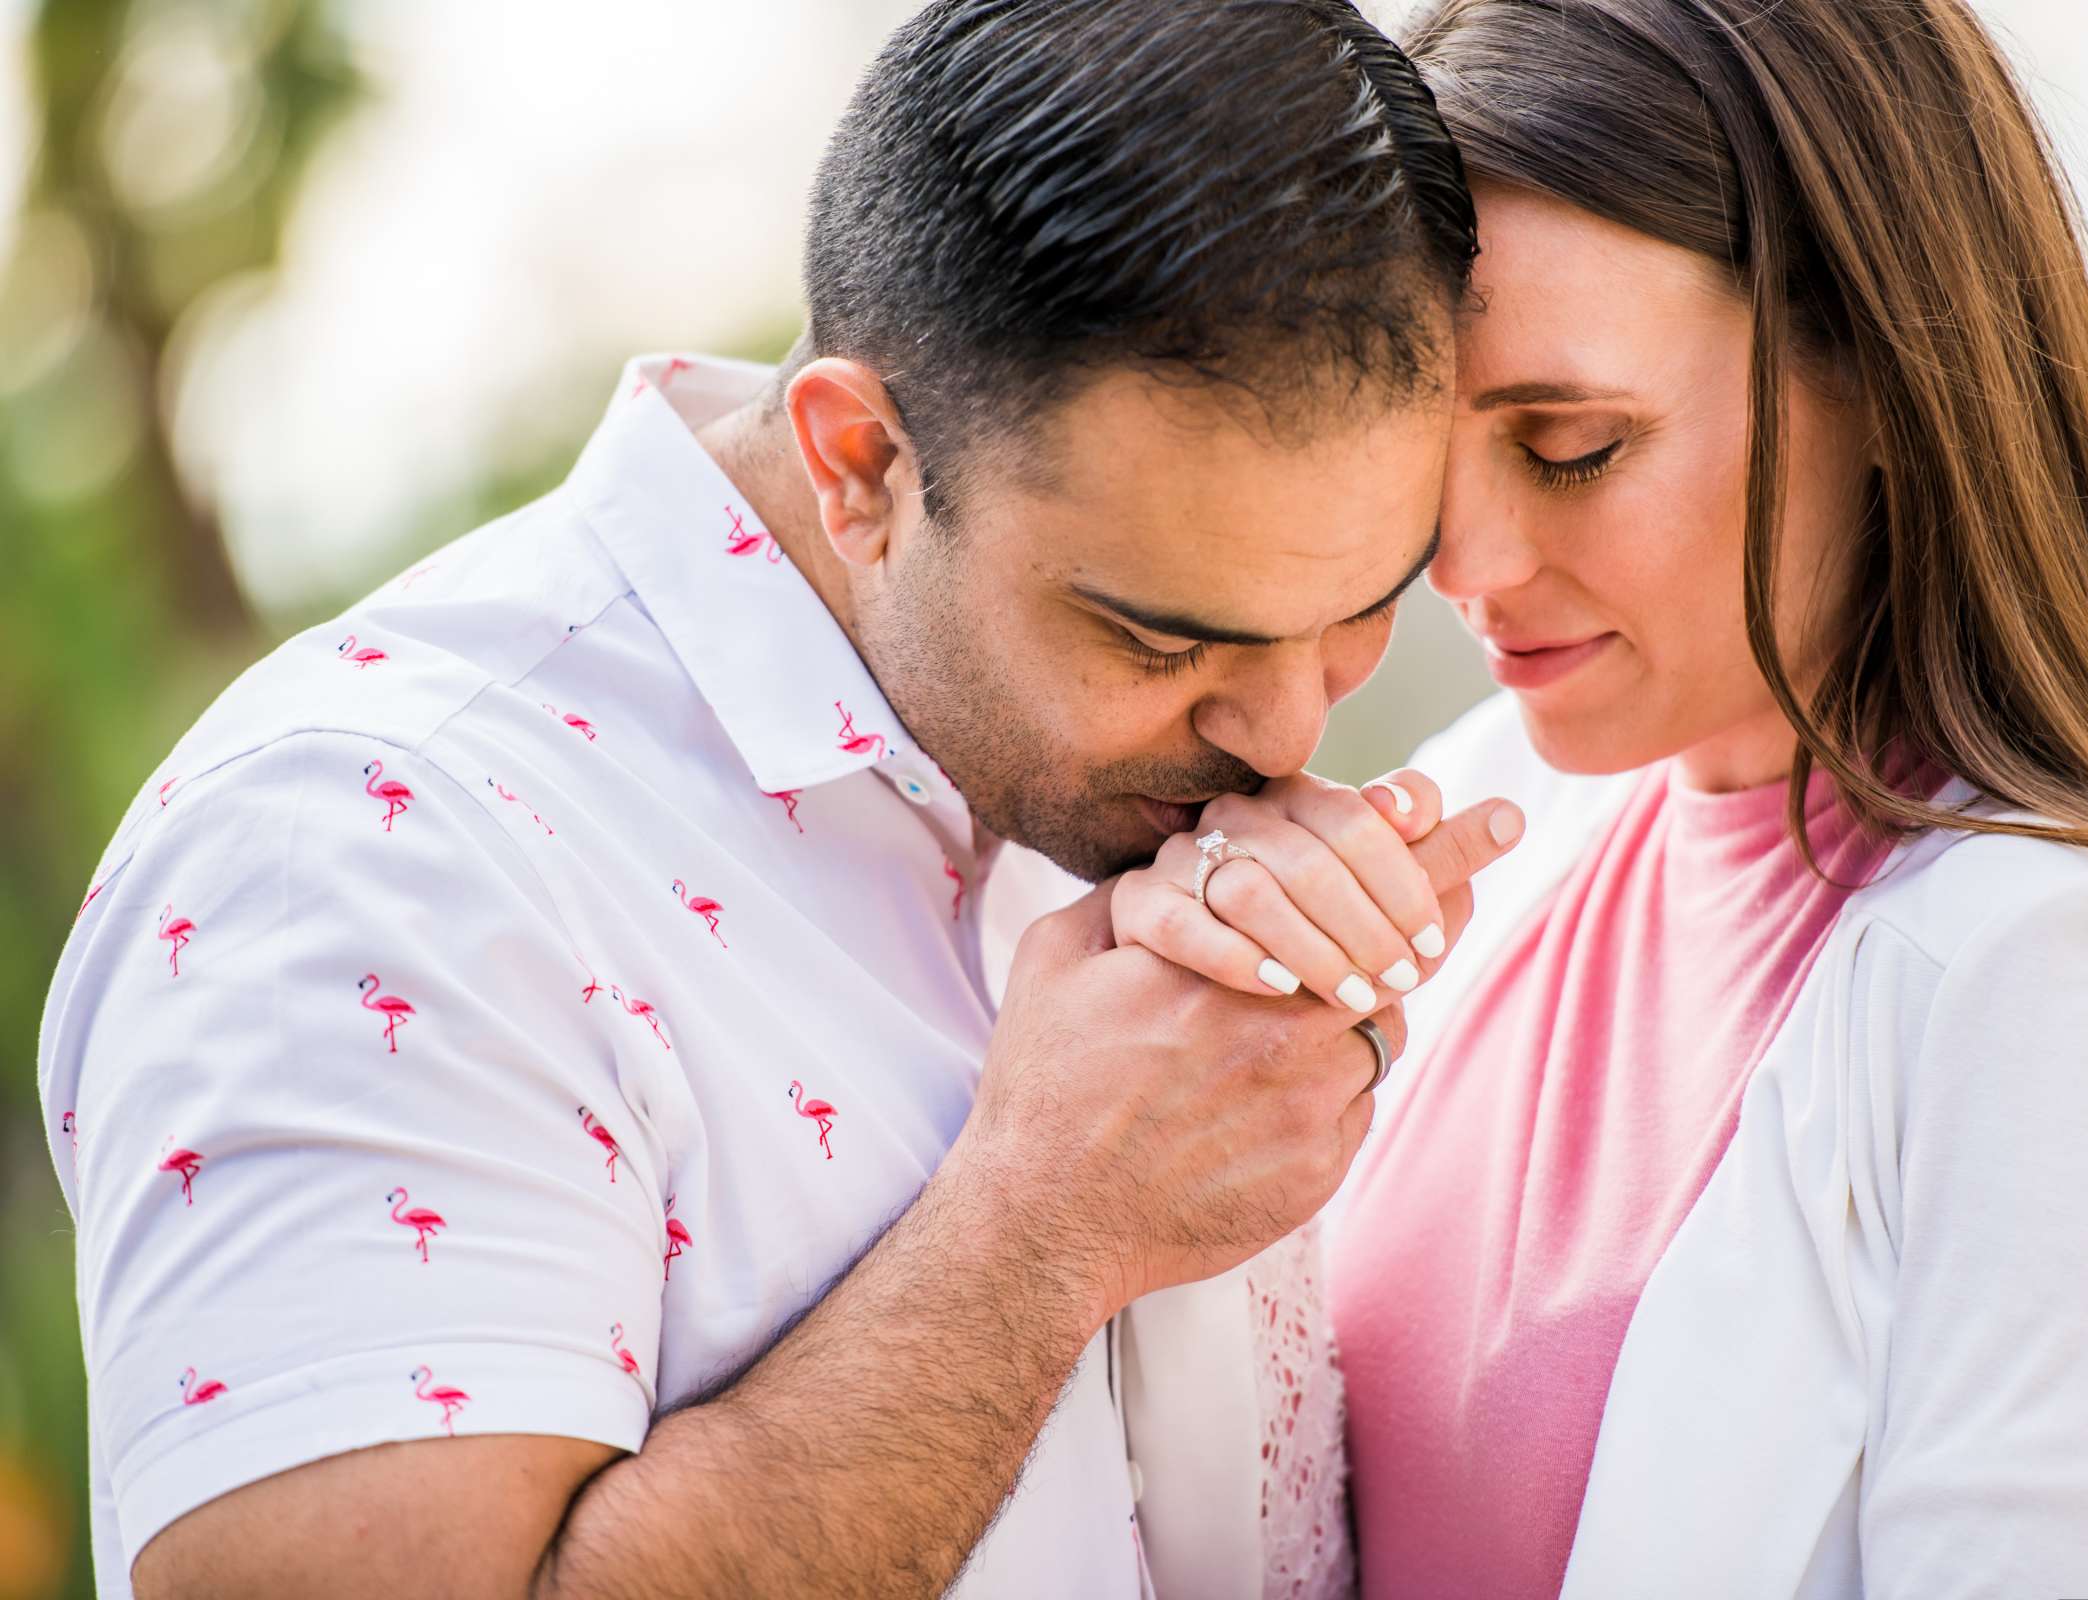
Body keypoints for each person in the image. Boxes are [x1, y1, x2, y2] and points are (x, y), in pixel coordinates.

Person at [35, 4, 1524, 1596]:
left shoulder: (1106, 783)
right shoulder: (360, 860)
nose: (1289, 725)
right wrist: (1041, 1230)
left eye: (1365, 604)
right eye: (1161, 636)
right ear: (861, 461)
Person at [1109, 0, 2088, 1595]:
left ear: (1878, 364)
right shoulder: (1493, 821)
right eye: (1427, 463)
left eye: (1572, 445)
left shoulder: (2071, 993)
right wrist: (1176, 954)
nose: (1469, 568)